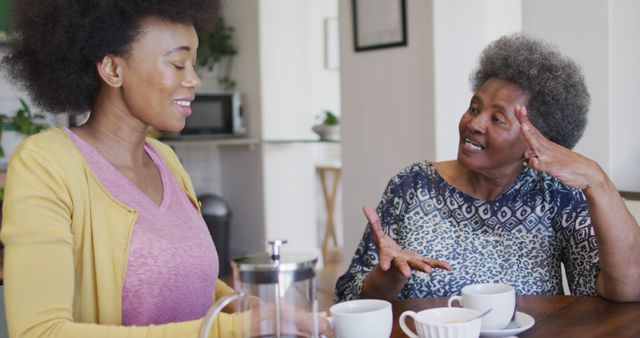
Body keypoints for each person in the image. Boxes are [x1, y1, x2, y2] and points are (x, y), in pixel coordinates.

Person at [0, 1, 327, 337]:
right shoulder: (46, 164)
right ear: (113, 69)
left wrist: (249, 308)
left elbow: (185, 277)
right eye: (177, 63)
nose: (195, 80)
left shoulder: (164, 158)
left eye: (194, 65)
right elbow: (40, 331)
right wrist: (232, 329)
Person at [335, 34, 640, 303]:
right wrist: (386, 279)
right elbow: (349, 298)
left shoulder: (555, 195)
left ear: (536, 140)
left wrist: (597, 180)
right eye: (474, 108)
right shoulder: (414, 184)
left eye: (497, 119)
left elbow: (626, 290)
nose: (474, 124)